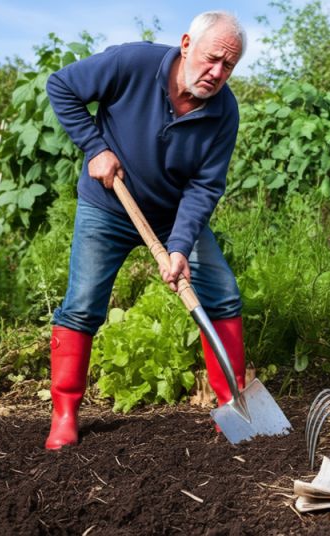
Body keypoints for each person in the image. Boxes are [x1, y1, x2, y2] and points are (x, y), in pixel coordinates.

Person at [43, 11, 247, 450]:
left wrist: (180, 246)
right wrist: (95, 148)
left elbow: (205, 186)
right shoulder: (132, 63)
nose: (217, 73)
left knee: (223, 294)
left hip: (173, 215)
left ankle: (234, 407)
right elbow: (60, 86)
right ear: (187, 44)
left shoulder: (223, 111)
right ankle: (65, 414)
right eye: (212, 58)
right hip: (109, 205)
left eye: (228, 66)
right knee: (82, 306)